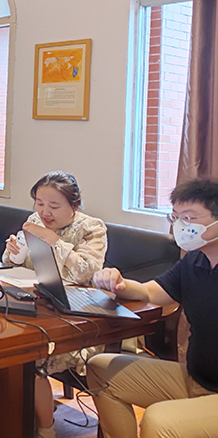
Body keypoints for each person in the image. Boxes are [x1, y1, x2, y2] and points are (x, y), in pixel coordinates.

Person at [88, 179, 218, 438]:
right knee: (100, 369)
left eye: (189, 218)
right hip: (196, 379)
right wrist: (119, 283)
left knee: (159, 421)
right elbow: (150, 292)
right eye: (176, 218)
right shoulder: (195, 261)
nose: (181, 226)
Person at [4, 171, 107, 437]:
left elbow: (85, 272)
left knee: (28, 355)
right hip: (35, 306)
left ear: (75, 205)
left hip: (77, 319)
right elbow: (22, 264)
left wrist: (53, 240)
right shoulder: (34, 221)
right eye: (39, 203)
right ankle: (6, 419)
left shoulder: (92, 228)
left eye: (54, 205)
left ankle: (45, 429)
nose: (44, 212)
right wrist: (14, 253)